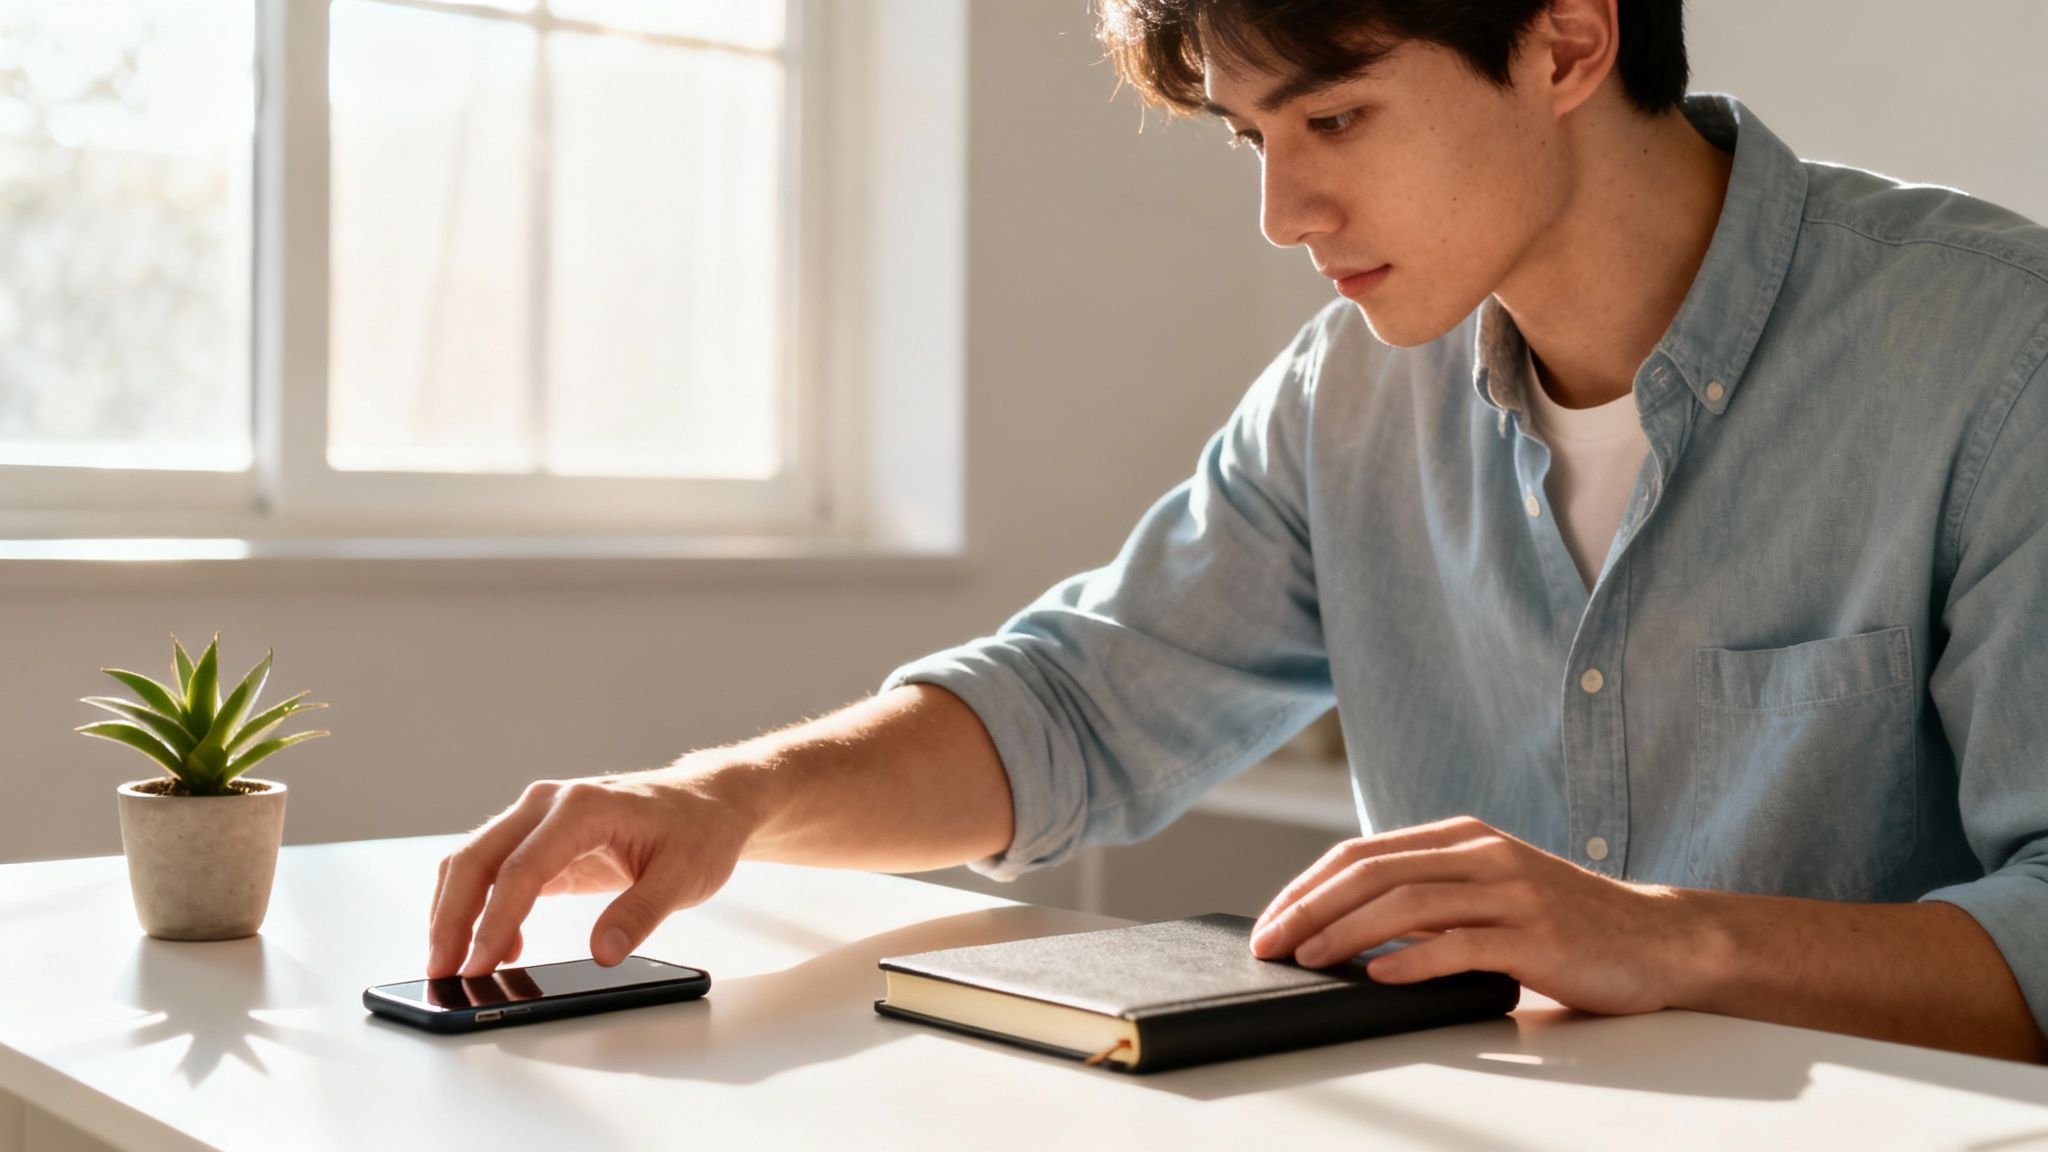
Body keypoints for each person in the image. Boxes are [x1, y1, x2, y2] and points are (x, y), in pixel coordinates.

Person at [425, 0, 2048, 1062]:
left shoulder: (1991, 354)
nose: (1284, 215)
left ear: (1566, 38)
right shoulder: (1353, 391)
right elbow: (1077, 705)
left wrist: (1664, 941)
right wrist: (724, 798)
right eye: (1250, 140)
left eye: (1335, 121)